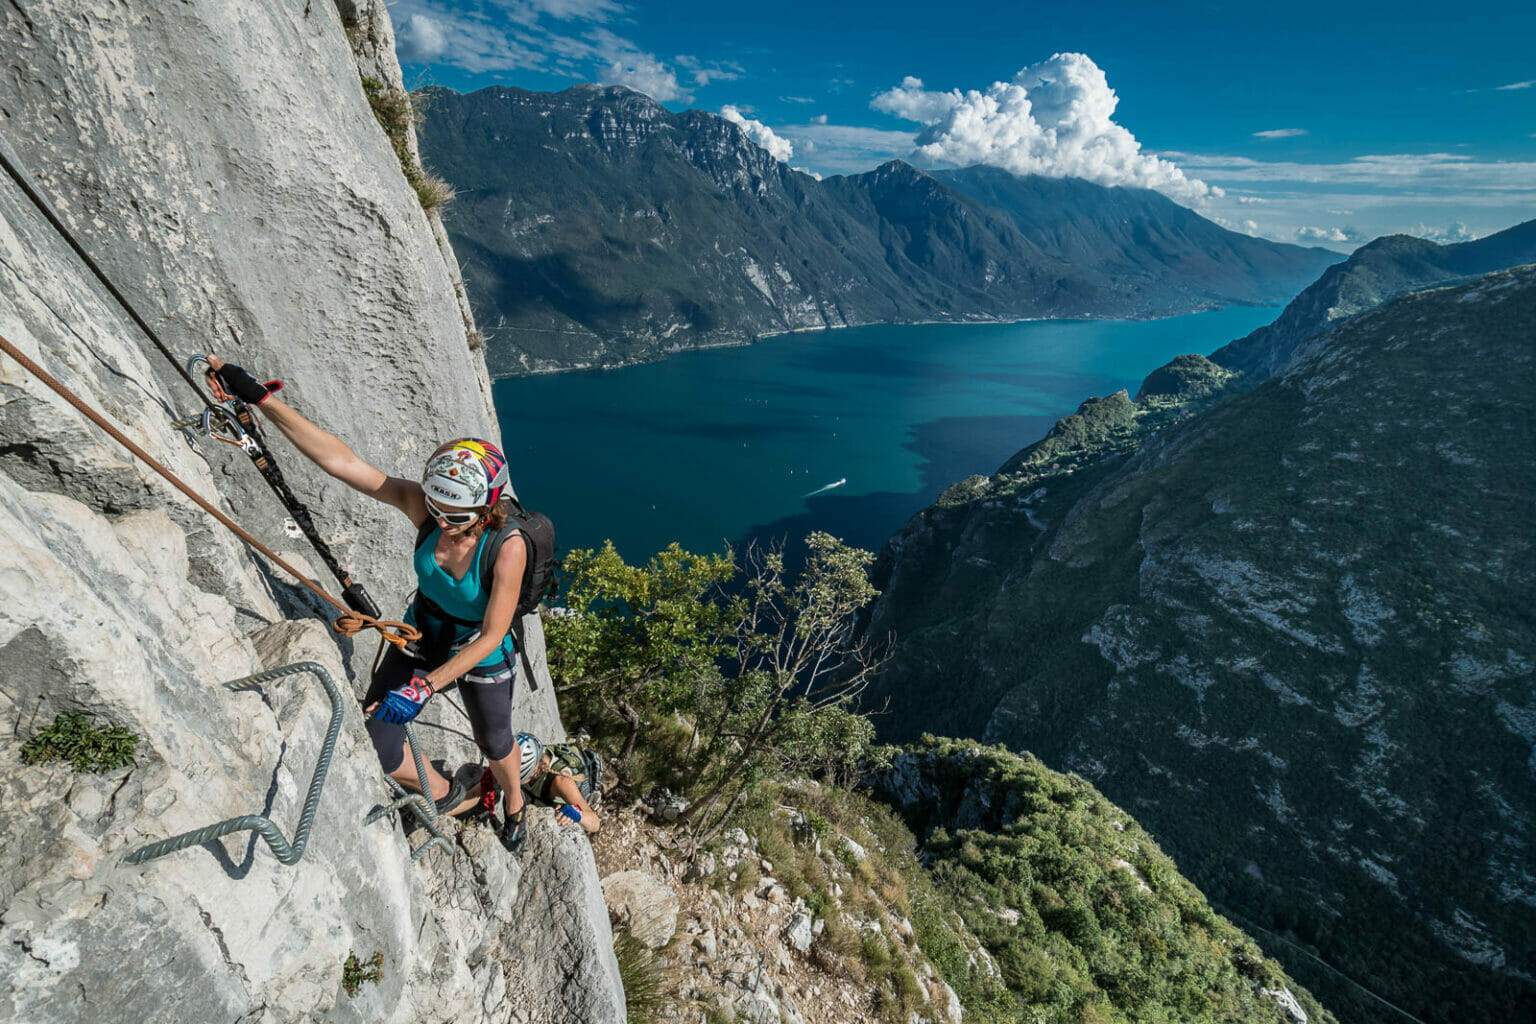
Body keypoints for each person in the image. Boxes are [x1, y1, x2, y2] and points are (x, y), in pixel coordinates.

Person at [206, 357, 531, 854]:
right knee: (380, 743)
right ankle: (449, 795)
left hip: (479, 652)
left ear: (488, 506)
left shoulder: (507, 547)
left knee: (495, 741)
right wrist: (260, 398)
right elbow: (343, 462)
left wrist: (426, 686)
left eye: (456, 514)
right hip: (423, 634)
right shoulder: (427, 507)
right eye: (436, 508)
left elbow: (491, 634)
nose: (441, 521)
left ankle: (514, 802)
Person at [513, 733, 602, 836]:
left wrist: (576, 814)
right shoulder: (521, 754)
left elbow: (595, 823)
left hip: (571, 789)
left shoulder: (561, 782)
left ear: (533, 772)